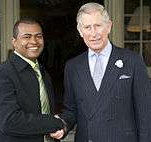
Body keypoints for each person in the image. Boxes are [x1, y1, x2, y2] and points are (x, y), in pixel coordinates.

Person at [50, 2, 151, 142]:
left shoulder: (133, 61)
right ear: (80, 31)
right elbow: (71, 109)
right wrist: (63, 125)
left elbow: (146, 113)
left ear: (108, 26)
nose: (93, 33)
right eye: (87, 27)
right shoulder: (73, 67)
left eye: (98, 26)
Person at [0, 18, 65, 142]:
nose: (34, 41)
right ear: (14, 42)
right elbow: (9, 121)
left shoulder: (43, 74)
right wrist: (55, 122)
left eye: (38, 36)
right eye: (27, 37)